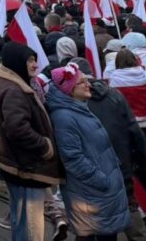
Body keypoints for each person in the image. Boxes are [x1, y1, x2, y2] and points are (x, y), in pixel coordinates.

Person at [45, 64, 130, 241]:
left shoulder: (78, 108)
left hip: (98, 192)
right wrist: (102, 180)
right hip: (92, 192)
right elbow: (73, 158)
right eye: (82, 82)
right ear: (69, 89)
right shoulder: (65, 117)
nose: (88, 85)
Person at [0, 42, 63, 241]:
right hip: (25, 167)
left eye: (34, 60)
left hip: (14, 163)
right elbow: (17, 129)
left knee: (20, 219)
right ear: (17, 61)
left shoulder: (1, 80)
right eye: (30, 60)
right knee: (31, 226)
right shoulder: (14, 89)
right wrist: (45, 146)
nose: (35, 65)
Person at [74, 58, 146, 241]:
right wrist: (143, 171)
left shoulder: (70, 104)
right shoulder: (115, 94)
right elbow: (136, 136)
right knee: (130, 212)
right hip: (122, 166)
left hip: (91, 178)